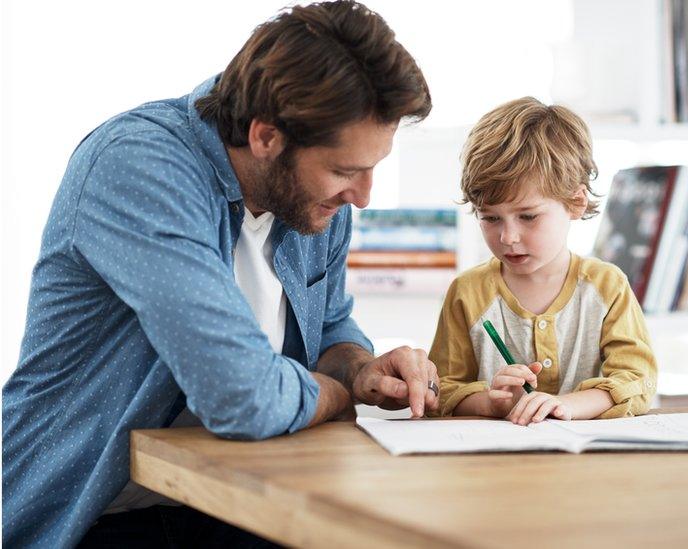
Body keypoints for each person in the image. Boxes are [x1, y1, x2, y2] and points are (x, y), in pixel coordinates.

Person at [2, 2, 438, 547]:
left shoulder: (317, 203)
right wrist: (337, 393)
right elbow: (243, 397)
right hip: (93, 514)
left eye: (373, 169)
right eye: (345, 171)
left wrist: (363, 369)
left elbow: (329, 329)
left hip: (237, 496)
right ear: (266, 137)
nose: (363, 197)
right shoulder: (139, 166)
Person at [428, 97, 658, 424]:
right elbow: (442, 390)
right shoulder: (468, 292)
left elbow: (637, 381)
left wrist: (567, 405)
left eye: (528, 216)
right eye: (490, 218)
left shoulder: (607, 287)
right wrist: (492, 403)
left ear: (575, 203)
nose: (508, 237)